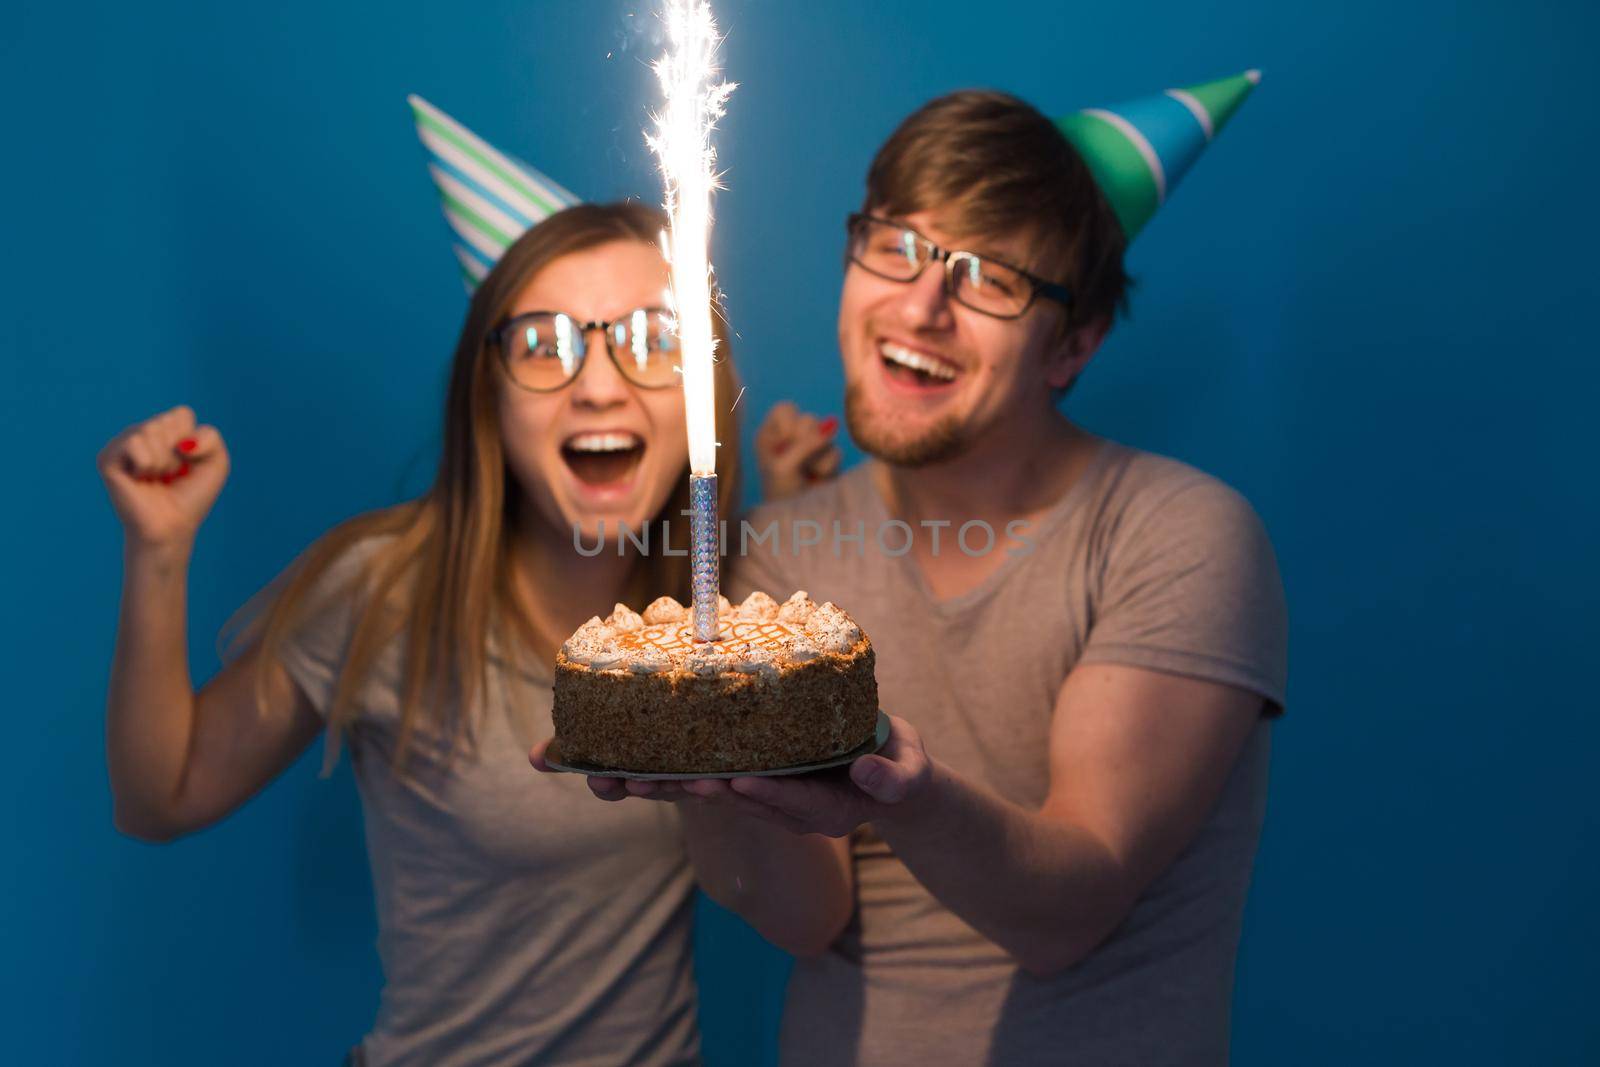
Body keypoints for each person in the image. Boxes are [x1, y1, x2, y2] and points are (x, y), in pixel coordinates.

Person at [553, 89, 1288, 1065]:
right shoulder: (773, 560)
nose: (920, 305)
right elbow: (805, 918)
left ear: (1073, 344)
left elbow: (1064, 915)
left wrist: (892, 791)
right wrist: (708, 770)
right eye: (895, 244)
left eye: (991, 277)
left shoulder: (1175, 532)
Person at [100, 201, 744, 1066]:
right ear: (488, 391)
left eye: (654, 335)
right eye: (546, 344)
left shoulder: (734, 617)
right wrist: (158, 549)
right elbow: (160, 797)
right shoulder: (386, 589)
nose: (598, 383)